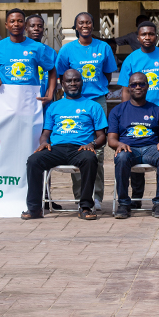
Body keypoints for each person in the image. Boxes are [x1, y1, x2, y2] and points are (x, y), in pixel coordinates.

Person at [24, 69, 107, 221]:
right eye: (69, 81)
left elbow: (102, 136)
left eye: (76, 80)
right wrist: (43, 143)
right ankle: (34, 208)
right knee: (33, 160)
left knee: (90, 159)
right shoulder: (53, 107)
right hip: (57, 149)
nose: (73, 83)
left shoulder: (93, 106)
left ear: (82, 83)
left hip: (81, 148)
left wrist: (92, 144)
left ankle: (85, 206)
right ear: (62, 84)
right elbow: (46, 133)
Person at [56, 12, 117, 210]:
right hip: (73, 102)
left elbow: (107, 75)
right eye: (81, 23)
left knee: (97, 151)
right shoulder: (66, 50)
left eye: (88, 22)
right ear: (75, 27)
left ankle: (97, 197)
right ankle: (80, 195)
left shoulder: (103, 47)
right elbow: (61, 76)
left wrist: (94, 90)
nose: (85, 26)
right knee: (76, 146)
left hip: (96, 101)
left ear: (93, 25)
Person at [117, 20, 159, 208]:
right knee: (135, 148)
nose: (147, 37)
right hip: (135, 115)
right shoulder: (131, 59)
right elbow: (125, 90)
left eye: (151, 34)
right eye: (143, 34)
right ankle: (136, 198)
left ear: (156, 36)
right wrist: (124, 115)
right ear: (138, 37)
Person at [108, 72, 159, 220]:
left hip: (151, 148)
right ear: (129, 88)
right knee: (122, 157)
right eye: (134, 84)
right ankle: (124, 204)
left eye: (141, 84)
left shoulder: (157, 111)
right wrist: (119, 144)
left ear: (147, 86)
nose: (138, 87)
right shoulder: (118, 110)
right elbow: (111, 140)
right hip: (129, 148)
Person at [0, 8, 57, 102]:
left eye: (20, 21)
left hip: (30, 101)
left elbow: (51, 69)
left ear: (24, 25)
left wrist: (50, 94)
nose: (16, 24)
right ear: (6, 25)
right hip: (5, 100)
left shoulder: (37, 47)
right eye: (12, 21)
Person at [26, 14, 58, 95]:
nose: (36, 29)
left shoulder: (51, 52)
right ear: (26, 29)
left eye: (40, 26)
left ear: (43, 30)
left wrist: (50, 93)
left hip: (46, 100)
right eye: (32, 26)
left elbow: (56, 77)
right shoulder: (21, 50)